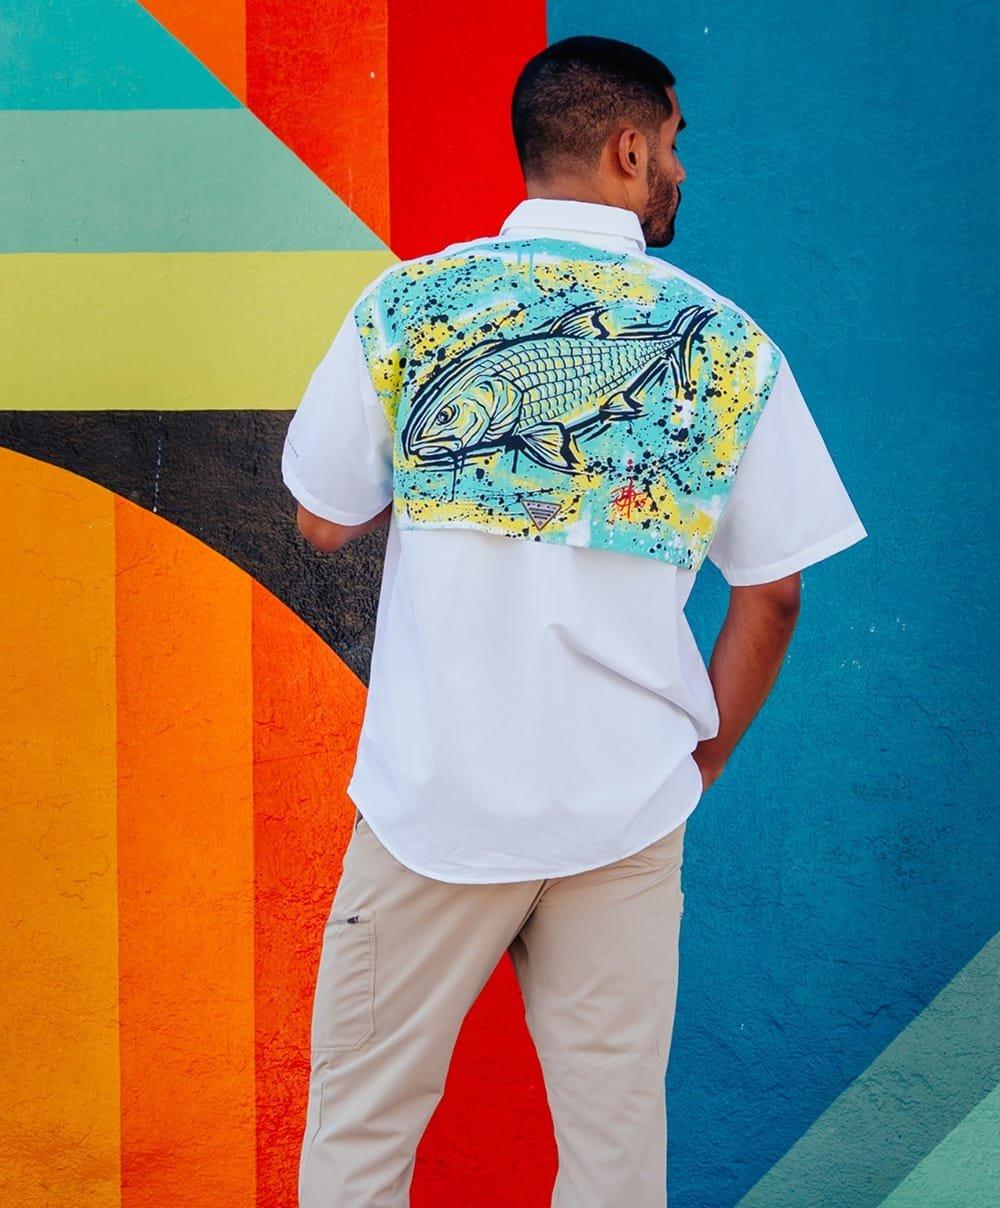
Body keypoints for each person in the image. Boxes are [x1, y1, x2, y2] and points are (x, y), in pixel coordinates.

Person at [280, 34, 865, 1208]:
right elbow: (779, 588)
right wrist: (696, 764)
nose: (681, 173)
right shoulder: (723, 342)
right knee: (611, 1162)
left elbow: (320, 520)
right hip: (624, 806)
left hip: (430, 802)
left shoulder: (409, 307)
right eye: (675, 148)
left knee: (358, 1142)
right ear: (626, 146)